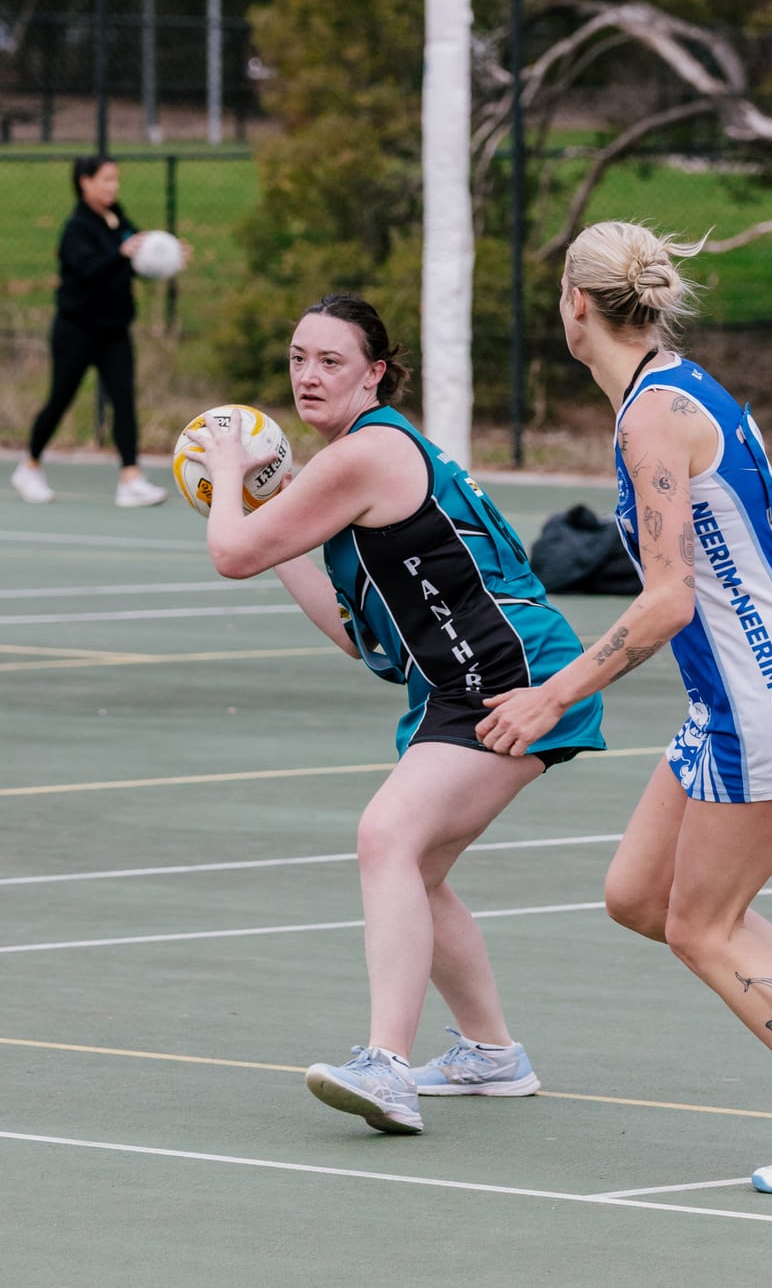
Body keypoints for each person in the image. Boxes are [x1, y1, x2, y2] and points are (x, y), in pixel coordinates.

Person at [474, 220, 772, 1196]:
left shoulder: (649, 419)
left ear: (574, 305)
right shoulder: (688, 389)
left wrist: (551, 694)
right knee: (639, 896)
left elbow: (669, 597)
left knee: (701, 926)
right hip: (744, 694)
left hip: (760, 704)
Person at [187, 293, 605, 1136]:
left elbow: (230, 554)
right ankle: (491, 1055)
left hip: (510, 678)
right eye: (299, 357)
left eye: (331, 361)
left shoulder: (369, 452)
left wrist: (227, 480)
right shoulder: (355, 463)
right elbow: (353, 635)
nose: (308, 375)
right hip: (462, 686)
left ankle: (386, 1066)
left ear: (375, 372)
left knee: (387, 837)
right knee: (417, 868)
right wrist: (275, 520)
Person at [10, 154, 179, 508]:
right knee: (60, 399)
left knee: (123, 399)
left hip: (114, 330)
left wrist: (166, 255)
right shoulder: (77, 227)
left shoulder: (115, 216)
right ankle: (30, 466)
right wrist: (121, 254)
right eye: (105, 180)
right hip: (76, 330)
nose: (112, 186)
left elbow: (137, 251)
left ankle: (130, 477)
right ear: (84, 182)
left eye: (115, 180)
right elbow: (89, 269)